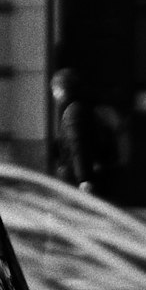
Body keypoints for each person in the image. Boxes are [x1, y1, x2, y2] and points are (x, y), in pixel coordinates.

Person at [51, 67, 123, 198]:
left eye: (55, 90)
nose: (54, 95)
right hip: (84, 174)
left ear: (63, 89)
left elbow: (78, 145)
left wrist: (84, 179)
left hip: (74, 179)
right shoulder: (82, 107)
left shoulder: (72, 112)